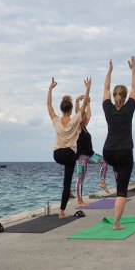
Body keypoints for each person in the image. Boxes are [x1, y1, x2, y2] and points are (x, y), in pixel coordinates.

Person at [48, 76, 91, 218]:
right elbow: (84, 104)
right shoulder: (75, 120)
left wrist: (50, 89)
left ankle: (68, 196)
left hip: (57, 154)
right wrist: (88, 88)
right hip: (69, 154)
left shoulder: (56, 120)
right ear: (71, 109)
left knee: (66, 179)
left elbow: (49, 106)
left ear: (61, 109)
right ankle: (61, 212)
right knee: (67, 182)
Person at [102, 57, 135, 230]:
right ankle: (116, 224)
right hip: (124, 151)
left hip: (108, 152)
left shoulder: (107, 108)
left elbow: (106, 88)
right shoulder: (129, 107)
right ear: (124, 97)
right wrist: (133, 69)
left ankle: (116, 174)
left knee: (117, 168)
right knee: (122, 190)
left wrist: (109, 71)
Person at [74, 94, 110, 207]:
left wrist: (88, 103)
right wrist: (77, 102)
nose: (86, 118)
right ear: (81, 118)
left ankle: (102, 182)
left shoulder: (84, 127)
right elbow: (78, 114)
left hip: (90, 155)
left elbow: (89, 114)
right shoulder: (78, 127)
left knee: (105, 160)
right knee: (80, 178)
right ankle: (79, 200)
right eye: (84, 117)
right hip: (81, 157)